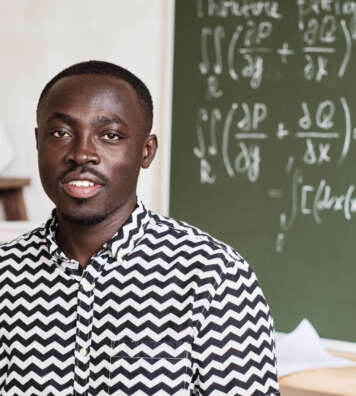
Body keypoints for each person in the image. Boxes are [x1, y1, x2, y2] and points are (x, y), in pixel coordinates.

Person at [0, 60, 280, 395]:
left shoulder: (215, 278)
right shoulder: (6, 271)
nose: (82, 154)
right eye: (61, 133)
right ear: (38, 142)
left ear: (146, 152)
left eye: (110, 135)